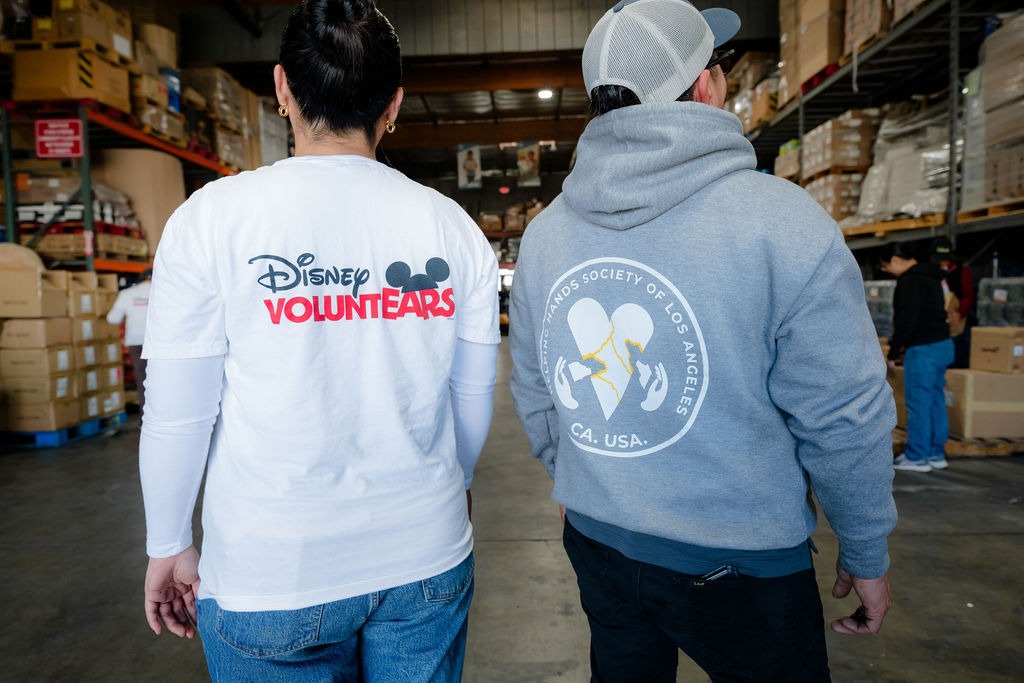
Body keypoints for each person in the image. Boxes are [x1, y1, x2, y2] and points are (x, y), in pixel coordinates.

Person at [508, 1, 897, 680]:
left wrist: (583, 471)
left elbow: (537, 383)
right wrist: (864, 546)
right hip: (742, 564)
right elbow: (844, 412)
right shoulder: (782, 222)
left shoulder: (545, 234)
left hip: (600, 540)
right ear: (708, 88)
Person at [139, 1, 500, 680]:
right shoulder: (451, 228)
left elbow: (179, 412)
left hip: (271, 569)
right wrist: (458, 484)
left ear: (282, 89)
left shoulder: (214, 220)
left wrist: (168, 543)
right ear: (393, 105)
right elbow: (472, 398)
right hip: (424, 555)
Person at [881, 241, 954, 472]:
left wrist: (894, 352)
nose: (888, 272)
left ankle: (917, 456)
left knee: (918, 403)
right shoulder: (934, 276)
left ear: (895, 260)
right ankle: (936, 452)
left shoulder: (910, 280)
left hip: (922, 348)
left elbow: (906, 319)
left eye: (885, 267)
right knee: (935, 399)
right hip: (943, 344)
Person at [105, 269, 151, 413]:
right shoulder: (166, 292)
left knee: (143, 380)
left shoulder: (127, 294)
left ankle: (146, 419)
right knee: (166, 379)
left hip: (137, 342)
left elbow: (112, 318)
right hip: (161, 342)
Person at [932, 236, 975, 368]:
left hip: (957, 324)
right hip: (937, 325)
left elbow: (969, 295)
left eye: (945, 258)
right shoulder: (931, 273)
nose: (943, 262)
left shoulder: (962, 271)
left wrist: (959, 313)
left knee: (956, 359)